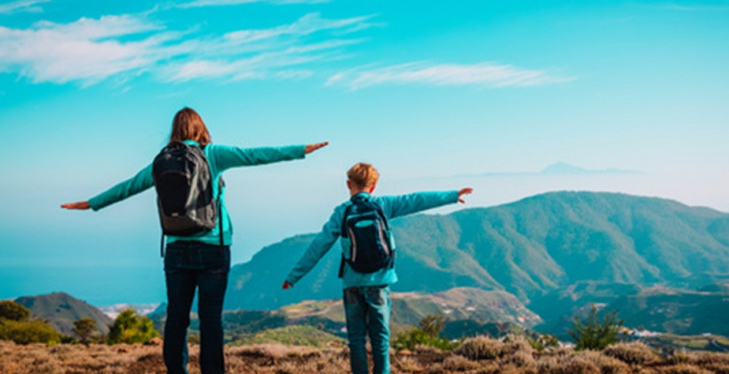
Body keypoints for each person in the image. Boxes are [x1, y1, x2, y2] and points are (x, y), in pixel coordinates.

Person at [61, 107, 328, 374]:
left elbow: (129, 186)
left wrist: (91, 203)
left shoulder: (162, 160)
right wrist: (302, 149)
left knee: (177, 318)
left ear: (174, 131)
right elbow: (255, 155)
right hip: (214, 249)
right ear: (201, 128)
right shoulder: (212, 154)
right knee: (211, 321)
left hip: (177, 250)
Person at [282, 162, 472, 374]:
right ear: (373, 187)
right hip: (380, 281)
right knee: (380, 338)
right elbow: (416, 200)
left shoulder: (342, 212)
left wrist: (294, 276)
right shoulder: (383, 205)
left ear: (348, 184)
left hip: (352, 283)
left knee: (356, 339)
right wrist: (452, 196)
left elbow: (319, 245)